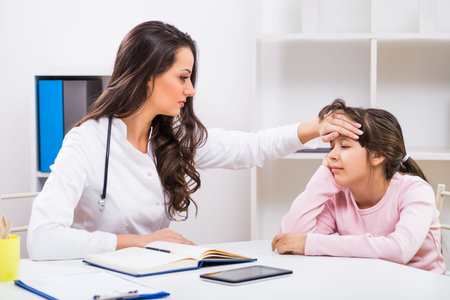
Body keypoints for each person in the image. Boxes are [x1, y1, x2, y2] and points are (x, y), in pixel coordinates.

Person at [27, 21, 362, 260]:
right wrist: (139, 242)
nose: (191, 90)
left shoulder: (172, 137)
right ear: (146, 77)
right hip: (94, 282)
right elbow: (42, 240)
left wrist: (317, 127)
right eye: (183, 77)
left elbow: (251, 148)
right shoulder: (87, 142)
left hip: (155, 272)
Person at [272, 99, 446, 274]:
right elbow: (289, 239)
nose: (331, 155)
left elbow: (399, 250)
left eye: (344, 146)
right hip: (370, 285)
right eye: (332, 147)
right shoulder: (339, 196)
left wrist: (309, 243)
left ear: (377, 155)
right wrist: (320, 182)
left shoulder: (415, 191)